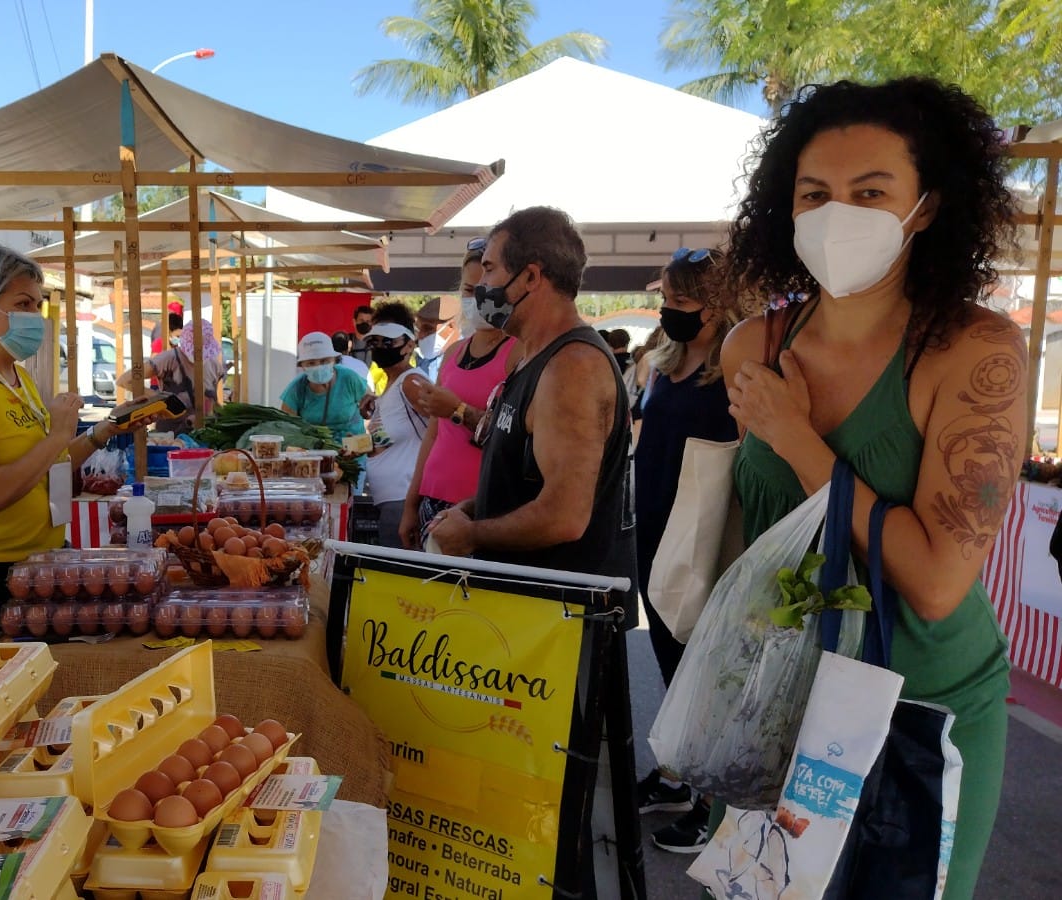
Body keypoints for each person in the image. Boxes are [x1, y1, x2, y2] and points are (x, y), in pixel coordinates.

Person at [721, 78, 1022, 898]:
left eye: (870, 191)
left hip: (925, 710)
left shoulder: (973, 349)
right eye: (814, 193)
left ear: (924, 207)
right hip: (782, 698)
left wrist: (798, 438)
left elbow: (931, 583)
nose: (835, 213)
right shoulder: (753, 345)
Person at [0, 245, 140, 665]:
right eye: (22, 304)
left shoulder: (13, 374)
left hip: (36, 564)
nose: (34, 317)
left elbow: (45, 464)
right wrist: (58, 433)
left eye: (37, 305)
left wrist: (101, 431)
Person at [427, 208, 636, 609]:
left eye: (489, 270)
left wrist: (473, 534)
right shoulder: (533, 356)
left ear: (530, 277)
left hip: (554, 627)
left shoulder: (572, 367)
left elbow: (564, 516)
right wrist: (472, 508)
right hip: (526, 617)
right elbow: (529, 477)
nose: (481, 286)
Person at [630, 247, 743, 852]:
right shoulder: (663, 361)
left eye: (680, 300)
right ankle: (677, 773)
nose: (667, 311)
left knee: (705, 662)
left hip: (703, 530)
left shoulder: (740, 366)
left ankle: (713, 799)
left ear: (718, 304)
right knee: (669, 651)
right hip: (653, 523)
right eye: (665, 299)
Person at [401, 239, 518, 547]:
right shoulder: (453, 352)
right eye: (468, 290)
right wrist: (411, 503)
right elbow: (432, 435)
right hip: (433, 499)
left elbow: (514, 439)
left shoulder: (517, 353)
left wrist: (458, 409)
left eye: (485, 288)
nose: (476, 297)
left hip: (478, 512)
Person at [362, 306, 430, 545]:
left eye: (388, 342)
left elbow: (441, 432)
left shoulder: (412, 383)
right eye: (375, 341)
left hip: (405, 502)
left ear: (409, 345)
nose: (380, 348)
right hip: (390, 501)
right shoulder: (392, 387)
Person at [122, 317, 227, 435]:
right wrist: (158, 397)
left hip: (205, 436)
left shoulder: (215, 364)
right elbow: (125, 380)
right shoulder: (168, 359)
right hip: (170, 436)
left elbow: (215, 401)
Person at [279, 331, 369, 442]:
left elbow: (371, 405)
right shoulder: (296, 390)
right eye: (311, 363)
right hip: (314, 454)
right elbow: (287, 428)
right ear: (302, 366)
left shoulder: (349, 378)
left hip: (354, 452)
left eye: (324, 361)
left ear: (334, 360)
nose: (318, 366)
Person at [411, 297, 453, 380]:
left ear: (450, 327)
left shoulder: (468, 360)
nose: (420, 336)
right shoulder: (422, 360)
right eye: (418, 329)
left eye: (428, 328)